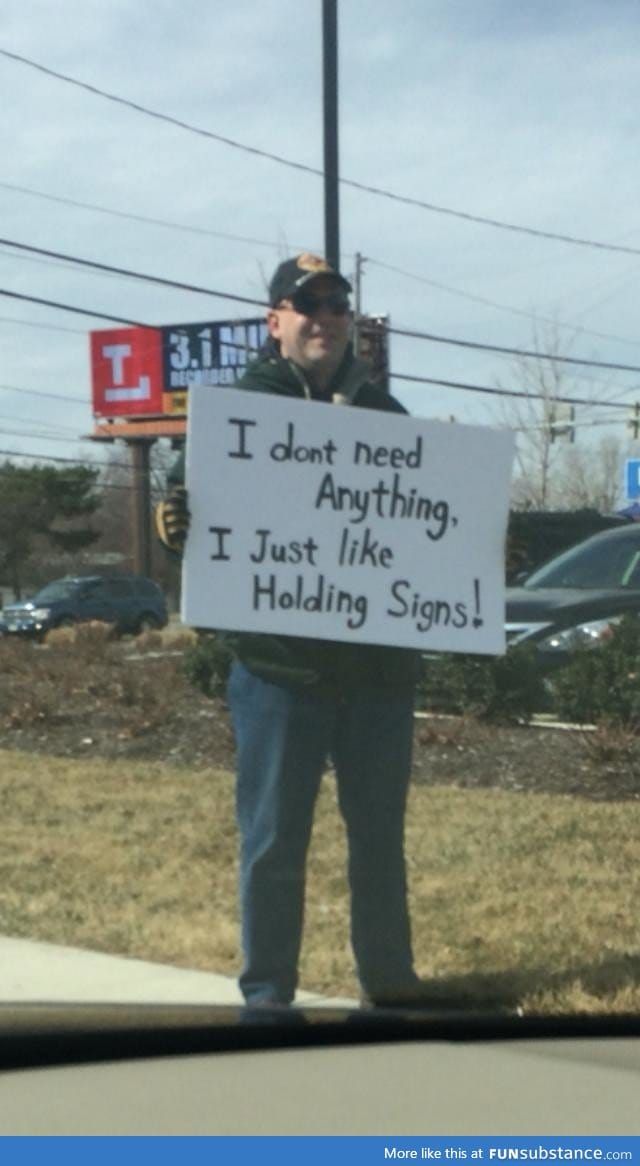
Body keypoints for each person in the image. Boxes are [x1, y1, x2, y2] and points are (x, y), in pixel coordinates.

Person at [157, 254, 431, 1011]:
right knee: (275, 841)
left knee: (379, 841)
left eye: (338, 305)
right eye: (307, 305)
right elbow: (206, 526)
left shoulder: (387, 419)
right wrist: (178, 526)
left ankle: (391, 980)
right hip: (278, 674)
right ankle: (268, 995)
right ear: (274, 320)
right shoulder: (237, 413)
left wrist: (472, 549)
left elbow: (420, 536)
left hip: (378, 677)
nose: (326, 318)